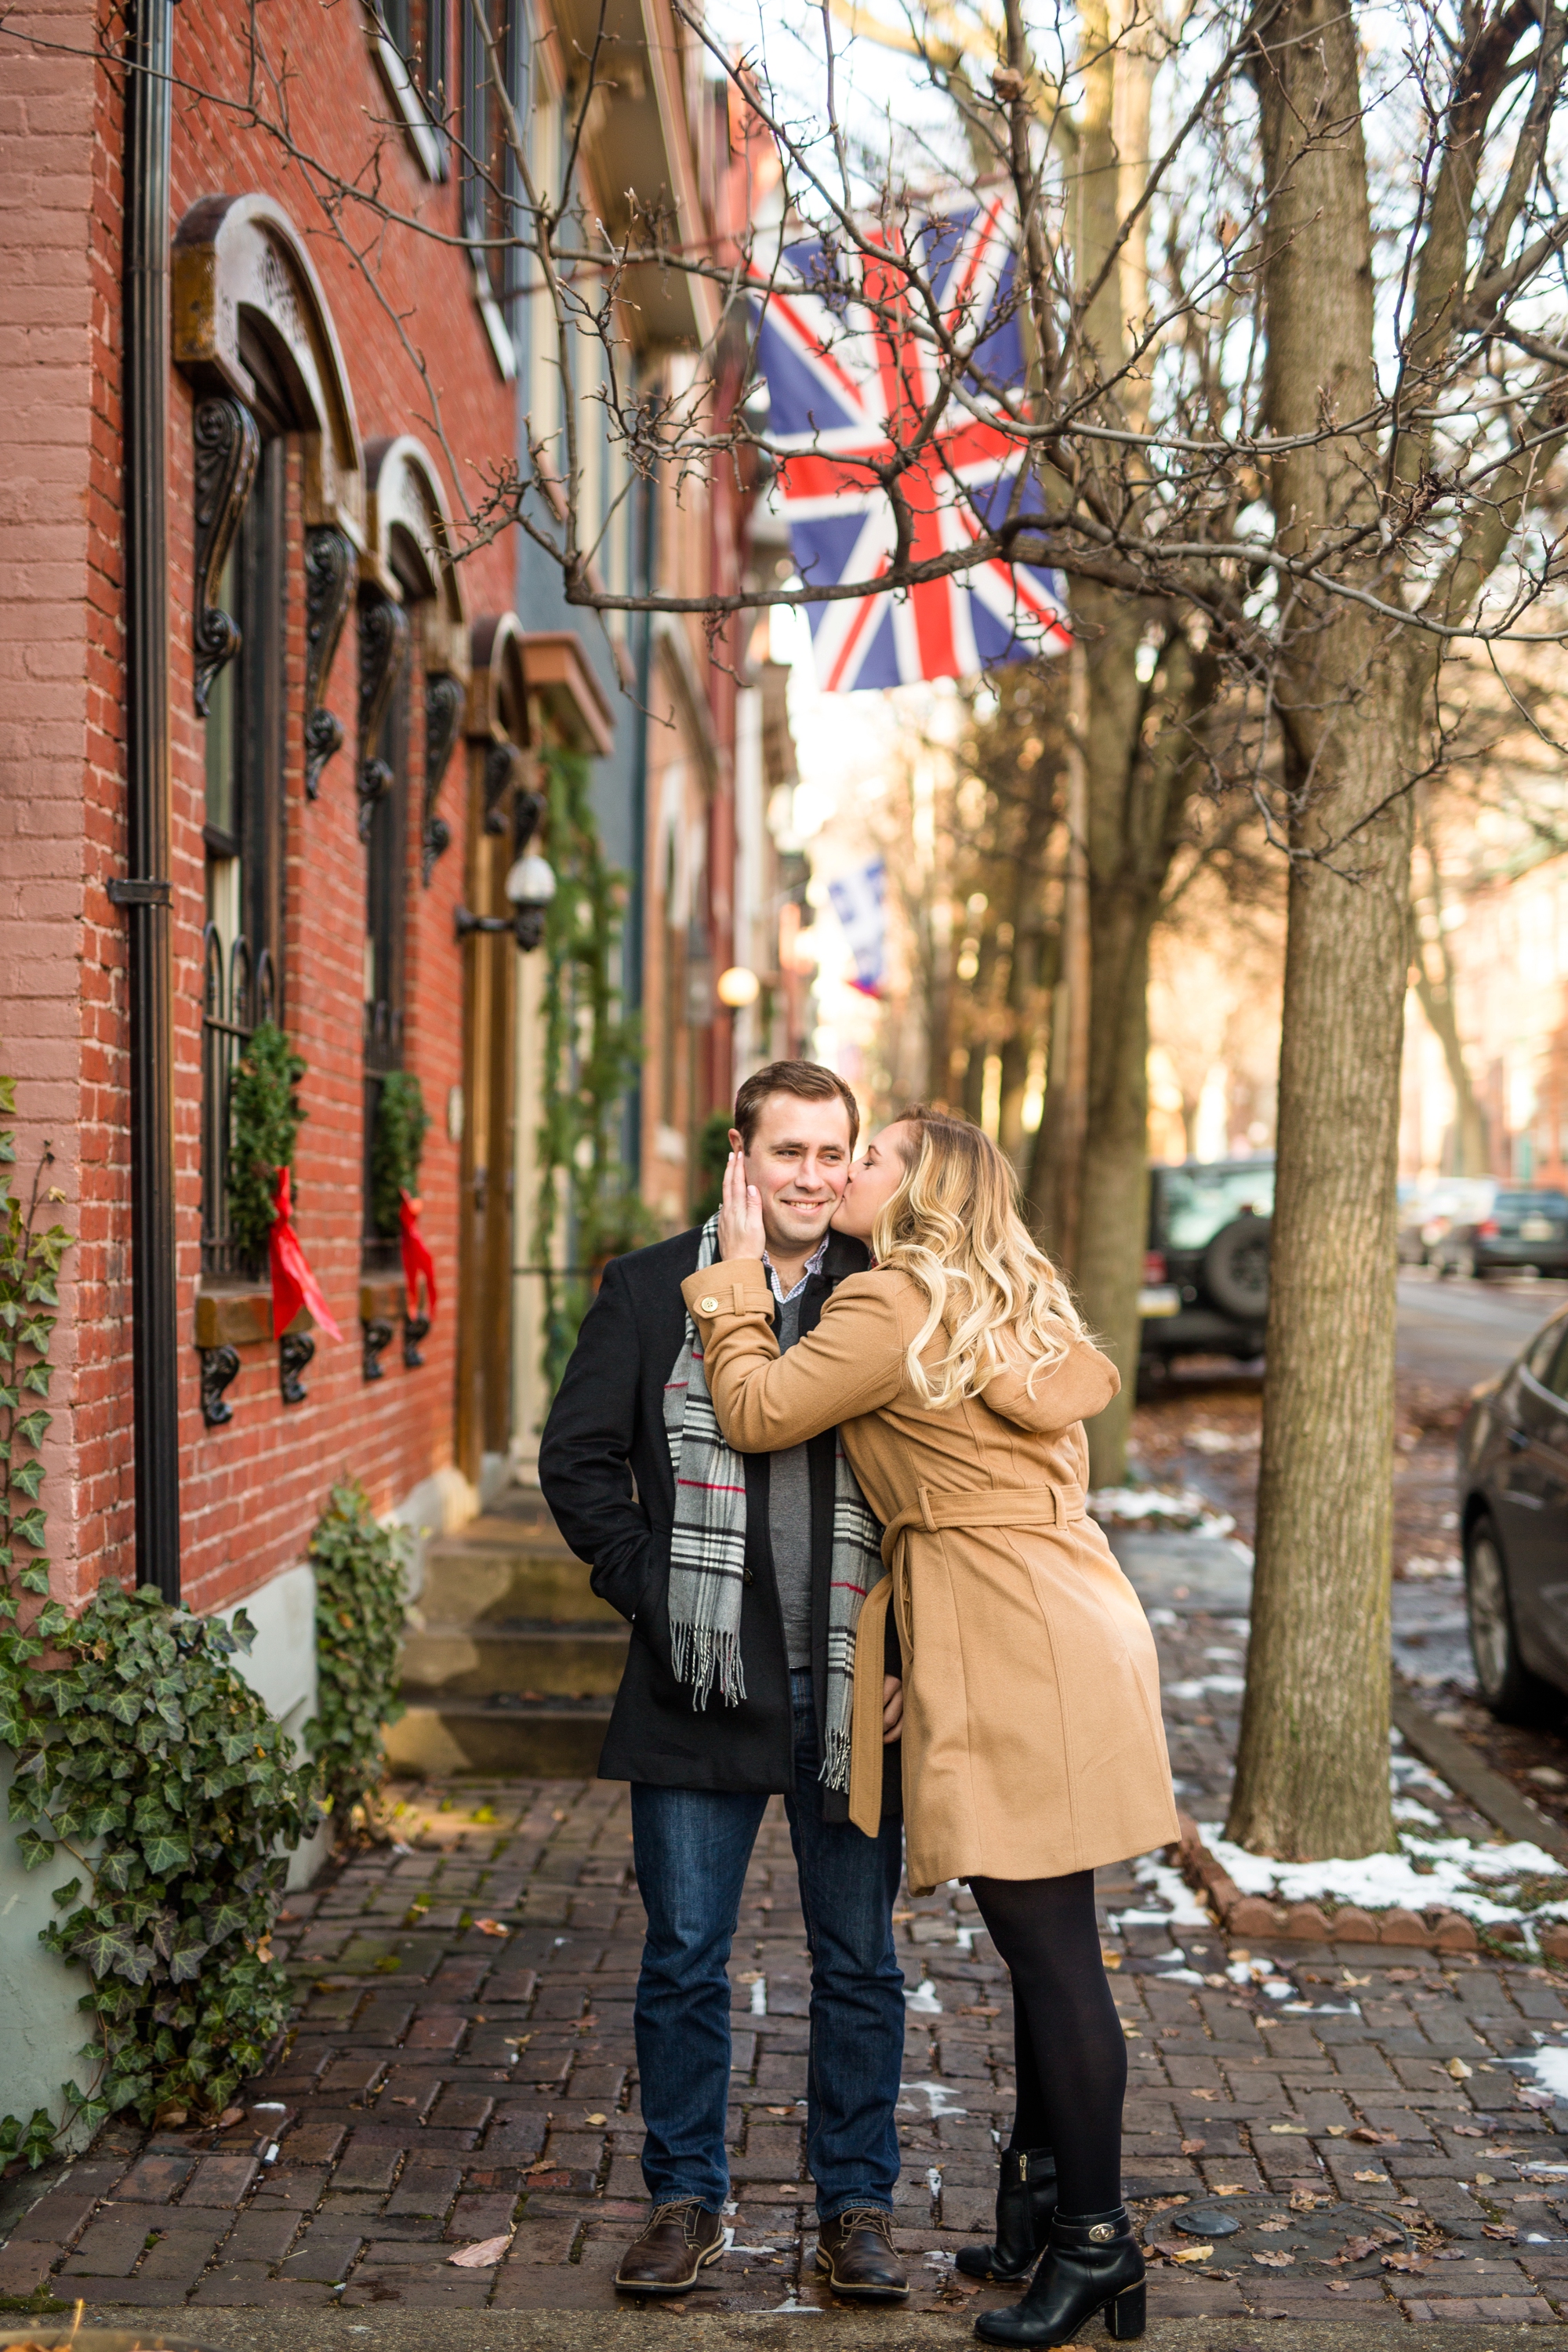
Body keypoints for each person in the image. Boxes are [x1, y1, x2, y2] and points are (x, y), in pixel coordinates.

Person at [681, 1106, 1181, 2349]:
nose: (847, 1170)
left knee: (1053, 1948)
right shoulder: (1012, 1300)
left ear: (918, 1193)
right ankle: (1041, 2197)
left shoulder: (889, 1305)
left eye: (876, 1157)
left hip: (1008, 1629)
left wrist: (735, 1286)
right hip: (1072, 1609)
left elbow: (752, 1412)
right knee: (1044, 1934)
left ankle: (1098, 2248)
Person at [538, 1061, 910, 2303]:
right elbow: (578, 1462)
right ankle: (684, 2201)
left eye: (832, 1154)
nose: (812, 1176)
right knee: (686, 1955)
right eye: (788, 1152)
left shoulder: (889, 1294)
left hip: (853, 1687)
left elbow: (939, 1497)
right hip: (697, 1681)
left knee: (856, 1961)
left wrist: (910, 1649)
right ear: (739, 1157)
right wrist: (658, 1595)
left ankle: (856, 2207)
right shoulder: (652, 1289)